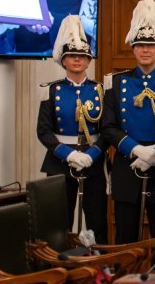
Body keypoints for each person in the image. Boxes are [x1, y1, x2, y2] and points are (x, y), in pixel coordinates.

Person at [99, 0, 155, 247]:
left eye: (151, 45)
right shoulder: (115, 82)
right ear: (133, 49)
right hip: (128, 164)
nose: (145, 49)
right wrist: (135, 149)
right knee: (126, 236)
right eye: (140, 45)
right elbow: (108, 126)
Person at [35, 14, 107, 242]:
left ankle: (100, 266)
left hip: (93, 163)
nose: (77, 60)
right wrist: (69, 154)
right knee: (58, 221)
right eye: (72, 56)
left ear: (89, 61)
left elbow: (107, 130)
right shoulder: (51, 90)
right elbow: (44, 131)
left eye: (82, 56)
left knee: (97, 220)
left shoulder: (101, 90)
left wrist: (93, 154)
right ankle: (61, 268)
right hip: (59, 163)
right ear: (63, 60)